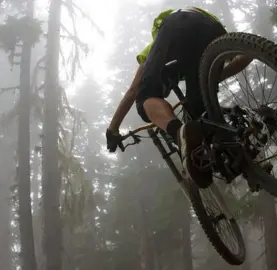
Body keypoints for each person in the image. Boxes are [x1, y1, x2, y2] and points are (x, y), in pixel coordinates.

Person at [106, 7, 252, 188]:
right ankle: (247, 160)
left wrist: (112, 130)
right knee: (201, 116)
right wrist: (212, 76)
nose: (166, 93)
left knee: (145, 96)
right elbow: (246, 55)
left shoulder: (153, 49)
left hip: (177, 24)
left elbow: (133, 91)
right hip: (211, 27)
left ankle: (178, 132)